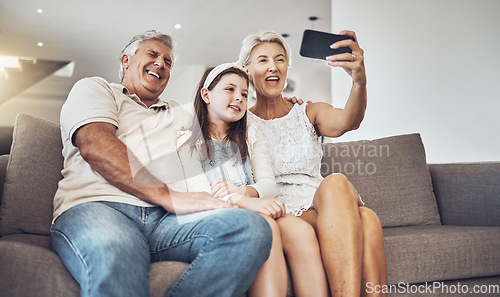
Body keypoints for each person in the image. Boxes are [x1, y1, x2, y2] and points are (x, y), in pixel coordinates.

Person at [49, 30, 272, 297]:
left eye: (168, 62)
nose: (161, 64)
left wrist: (280, 104)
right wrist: (168, 196)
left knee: (249, 229)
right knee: (115, 248)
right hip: (100, 207)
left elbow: (223, 108)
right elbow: (95, 144)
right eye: (153, 55)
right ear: (126, 60)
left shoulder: (179, 113)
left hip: (165, 221)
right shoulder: (96, 89)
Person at [237, 30, 388, 297]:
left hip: (322, 202)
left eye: (280, 59)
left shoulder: (308, 111)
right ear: (247, 71)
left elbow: (348, 121)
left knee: (363, 213)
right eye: (263, 60)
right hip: (281, 208)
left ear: (287, 68)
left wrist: (359, 82)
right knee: (365, 218)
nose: (273, 66)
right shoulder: (240, 123)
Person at [183, 62, 329, 297]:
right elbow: (195, 190)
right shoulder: (187, 139)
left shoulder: (250, 134)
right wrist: (244, 202)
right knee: (267, 226)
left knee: (301, 232)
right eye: (229, 89)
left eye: (244, 93)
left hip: (254, 207)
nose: (239, 98)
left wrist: (246, 194)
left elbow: (268, 184)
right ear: (206, 94)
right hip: (212, 214)